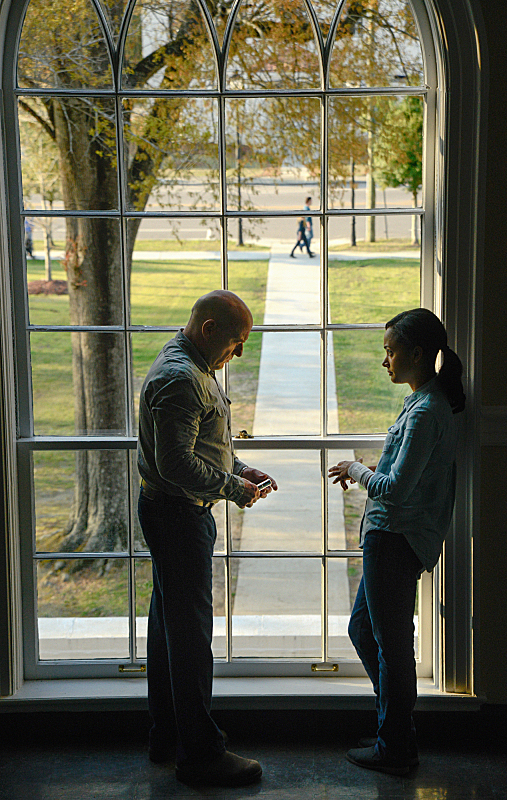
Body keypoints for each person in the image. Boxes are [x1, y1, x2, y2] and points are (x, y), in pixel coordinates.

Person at [137, 290, 277, 787]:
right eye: (237, 342)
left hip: (174, 512)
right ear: (210, 329)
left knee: (169, 627)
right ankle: (199, 753)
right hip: (179, 516)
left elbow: (200, 445)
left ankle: (167, 737)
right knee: (191, 634)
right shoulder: (181, 378)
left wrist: (239, 467)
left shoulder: (192, 366)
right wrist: (233, 487)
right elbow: (176, 463)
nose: (238, 354)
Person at [328, 308, 465, 776]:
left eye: (390, 351)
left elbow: (393, 489)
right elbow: (402, 474)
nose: (384, 360)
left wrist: (355, 469)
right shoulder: (421, 401)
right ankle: (394, 729)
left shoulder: (426, 410)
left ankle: (397, 747)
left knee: (391, 646)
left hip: (395, 540)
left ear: (418, 353)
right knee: (364, 632)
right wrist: (373, 469)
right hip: (388, 538)